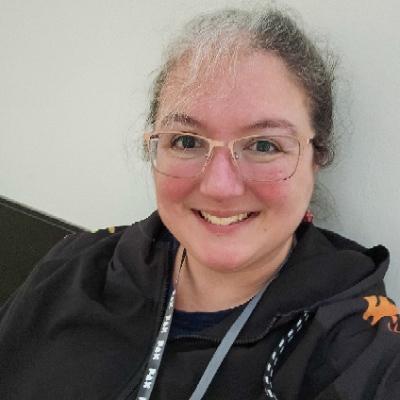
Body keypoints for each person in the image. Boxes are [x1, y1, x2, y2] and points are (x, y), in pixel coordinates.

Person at [0, 6, 399, 400]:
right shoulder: (75, 267)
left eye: (264, 145)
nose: (220, 186)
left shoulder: (359, 348)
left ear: (316, 158)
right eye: (187, 141)